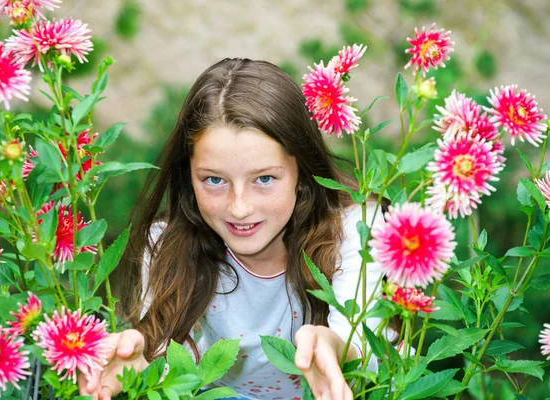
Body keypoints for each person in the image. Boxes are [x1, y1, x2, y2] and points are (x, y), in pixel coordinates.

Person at [78, 58, 384, 400]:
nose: (239, 207)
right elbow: (170, 356)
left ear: (302, 170)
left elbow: (366, 342)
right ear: (188, 175)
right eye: (214, 180)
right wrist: (143, 362)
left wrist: (336, 347)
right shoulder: (167, 243)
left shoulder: (355, 227)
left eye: (264, 178)